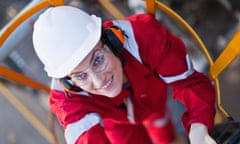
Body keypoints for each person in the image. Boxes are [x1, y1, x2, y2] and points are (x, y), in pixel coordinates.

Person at [32, 5, 216, 144]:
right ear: (68, 82)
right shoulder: (67, 100)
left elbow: (190, 83)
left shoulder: (144, 37)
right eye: (80, 76)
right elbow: (86, 138)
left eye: (97, 60)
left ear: (113, 41)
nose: (98, 81)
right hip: (117, 123)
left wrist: (199, 126)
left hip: (153, 101)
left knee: (164, 133)